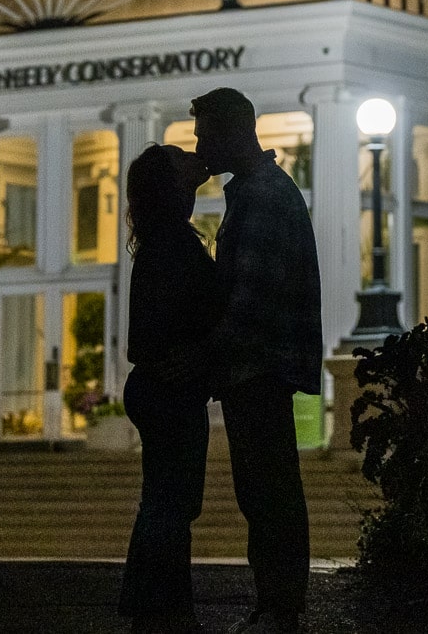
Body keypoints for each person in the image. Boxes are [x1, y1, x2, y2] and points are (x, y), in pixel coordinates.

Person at [187, 87, 323, 634]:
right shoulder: (258, 190)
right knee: (266, 487)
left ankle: (279, 604)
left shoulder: (261, 195)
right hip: (262, 365)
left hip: (257, 367)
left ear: (230, 132)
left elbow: (250, 296)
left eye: (203, 134)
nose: (197, 145)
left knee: (267, 488)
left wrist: (204, 356)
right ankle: (277, 601)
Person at [117, 143, 222, 634]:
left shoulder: (162, 241)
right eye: (181, 155)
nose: (193, 154)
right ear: (170, 184)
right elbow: (148, 336)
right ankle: (163, 609)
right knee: (172, 503)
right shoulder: (171, 246)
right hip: (168, 391)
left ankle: (153, 604)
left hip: (159, 389)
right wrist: (186, 358)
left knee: (166, 499)